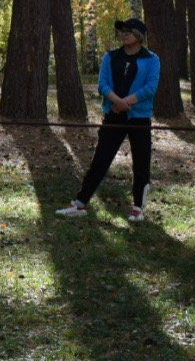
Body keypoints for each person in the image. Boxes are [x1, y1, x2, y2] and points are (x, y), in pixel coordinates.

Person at [59, 18, 160, 222]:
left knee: (141, 162)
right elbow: (102, 84)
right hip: (113, 115)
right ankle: (80, 203)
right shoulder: (111, 57)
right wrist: (116, 101)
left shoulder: (152, 59)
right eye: (122, 31)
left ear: (139, 35)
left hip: (139, 118)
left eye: (128, 31)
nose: (123, 34)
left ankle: (138, 208)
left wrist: (127, 102)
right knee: (100, 160)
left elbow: (151, 88)